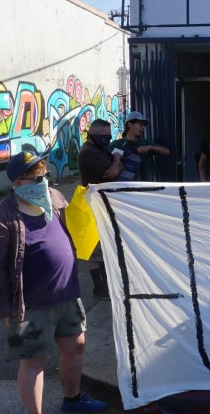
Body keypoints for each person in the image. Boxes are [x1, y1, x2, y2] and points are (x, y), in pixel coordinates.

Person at [0, 151, 107, 414]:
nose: (43, 182)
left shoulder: (55, 198)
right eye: (35, 178)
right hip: (29, 306)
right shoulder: (0, 217)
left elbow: (75, 225)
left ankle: (73, 400)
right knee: (32, 362)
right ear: (17, 183)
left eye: (44, 175)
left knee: (76, 347)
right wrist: (4, 310)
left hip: (68, 294)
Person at [77, 119, 122, 300]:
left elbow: (116, 170)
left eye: (108, 136)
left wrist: (115, 164)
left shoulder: (98, 149)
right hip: (94, 205)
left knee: (102, 248)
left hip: (100, 203)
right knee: (95, 251)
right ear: (92, 134)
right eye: (102, 136)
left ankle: (104, 286)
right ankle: (100, 288)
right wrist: (117, 159)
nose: (106, 140)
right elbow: (114, 172)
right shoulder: (89, 152)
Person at [110, 111, 170, 182]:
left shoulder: (145, 142)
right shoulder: (117, 144)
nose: (143, 128)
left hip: (143, 187)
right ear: (130, 125)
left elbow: (167, 151)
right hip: (120, 187)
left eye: (144, 125)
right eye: (140, 124)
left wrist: (150, 147)